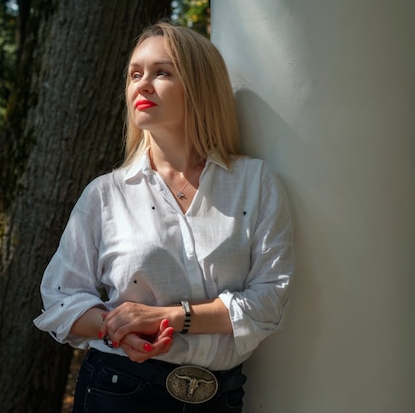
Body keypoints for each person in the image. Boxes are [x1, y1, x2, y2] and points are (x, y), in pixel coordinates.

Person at [33, 21, 294, 413]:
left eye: (162, 72)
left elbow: (270, 298)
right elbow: (59, 299)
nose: (142, 83)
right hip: (119, 389)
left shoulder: (255, 183)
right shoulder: (106, 194)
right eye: (135, 74)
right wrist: (116, 329)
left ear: (200, 86)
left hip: (220, 397)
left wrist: (170, 317)